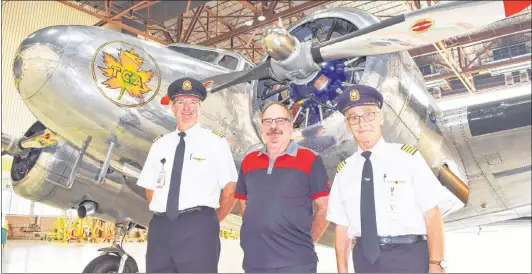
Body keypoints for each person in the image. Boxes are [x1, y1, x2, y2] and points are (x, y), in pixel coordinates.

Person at [326, 84, 447, 273]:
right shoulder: (344, 172)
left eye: (368, 114)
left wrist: (436, 263)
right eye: (353, 118)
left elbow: (432, 214)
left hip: (410, 256)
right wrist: (342, 270)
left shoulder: (408, 158)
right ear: (348, 126)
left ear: (381, 117)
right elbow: (342, 228)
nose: (362, 123)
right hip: (365, 261)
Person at [137, 77, 238, 273]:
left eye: (192, 102)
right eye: (181, 102)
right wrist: (166, 212)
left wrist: (209, 221)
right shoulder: (160, 144)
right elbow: (151, 188)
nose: (187, 107)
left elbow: (230, 189)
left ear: (200, 108)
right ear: (173, 108)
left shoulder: (216, 143)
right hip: (161, 227)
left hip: (199, 227)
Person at [234, 102, 330, 273]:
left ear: (291, 124)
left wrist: (306, 240)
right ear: (262, 126)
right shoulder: (249, 161)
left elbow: (326, 208)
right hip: (255, 264)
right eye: (268, 121)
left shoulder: (310, 159)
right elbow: (244, 204)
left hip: (296, 265)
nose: (273, 126)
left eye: (280, 120)